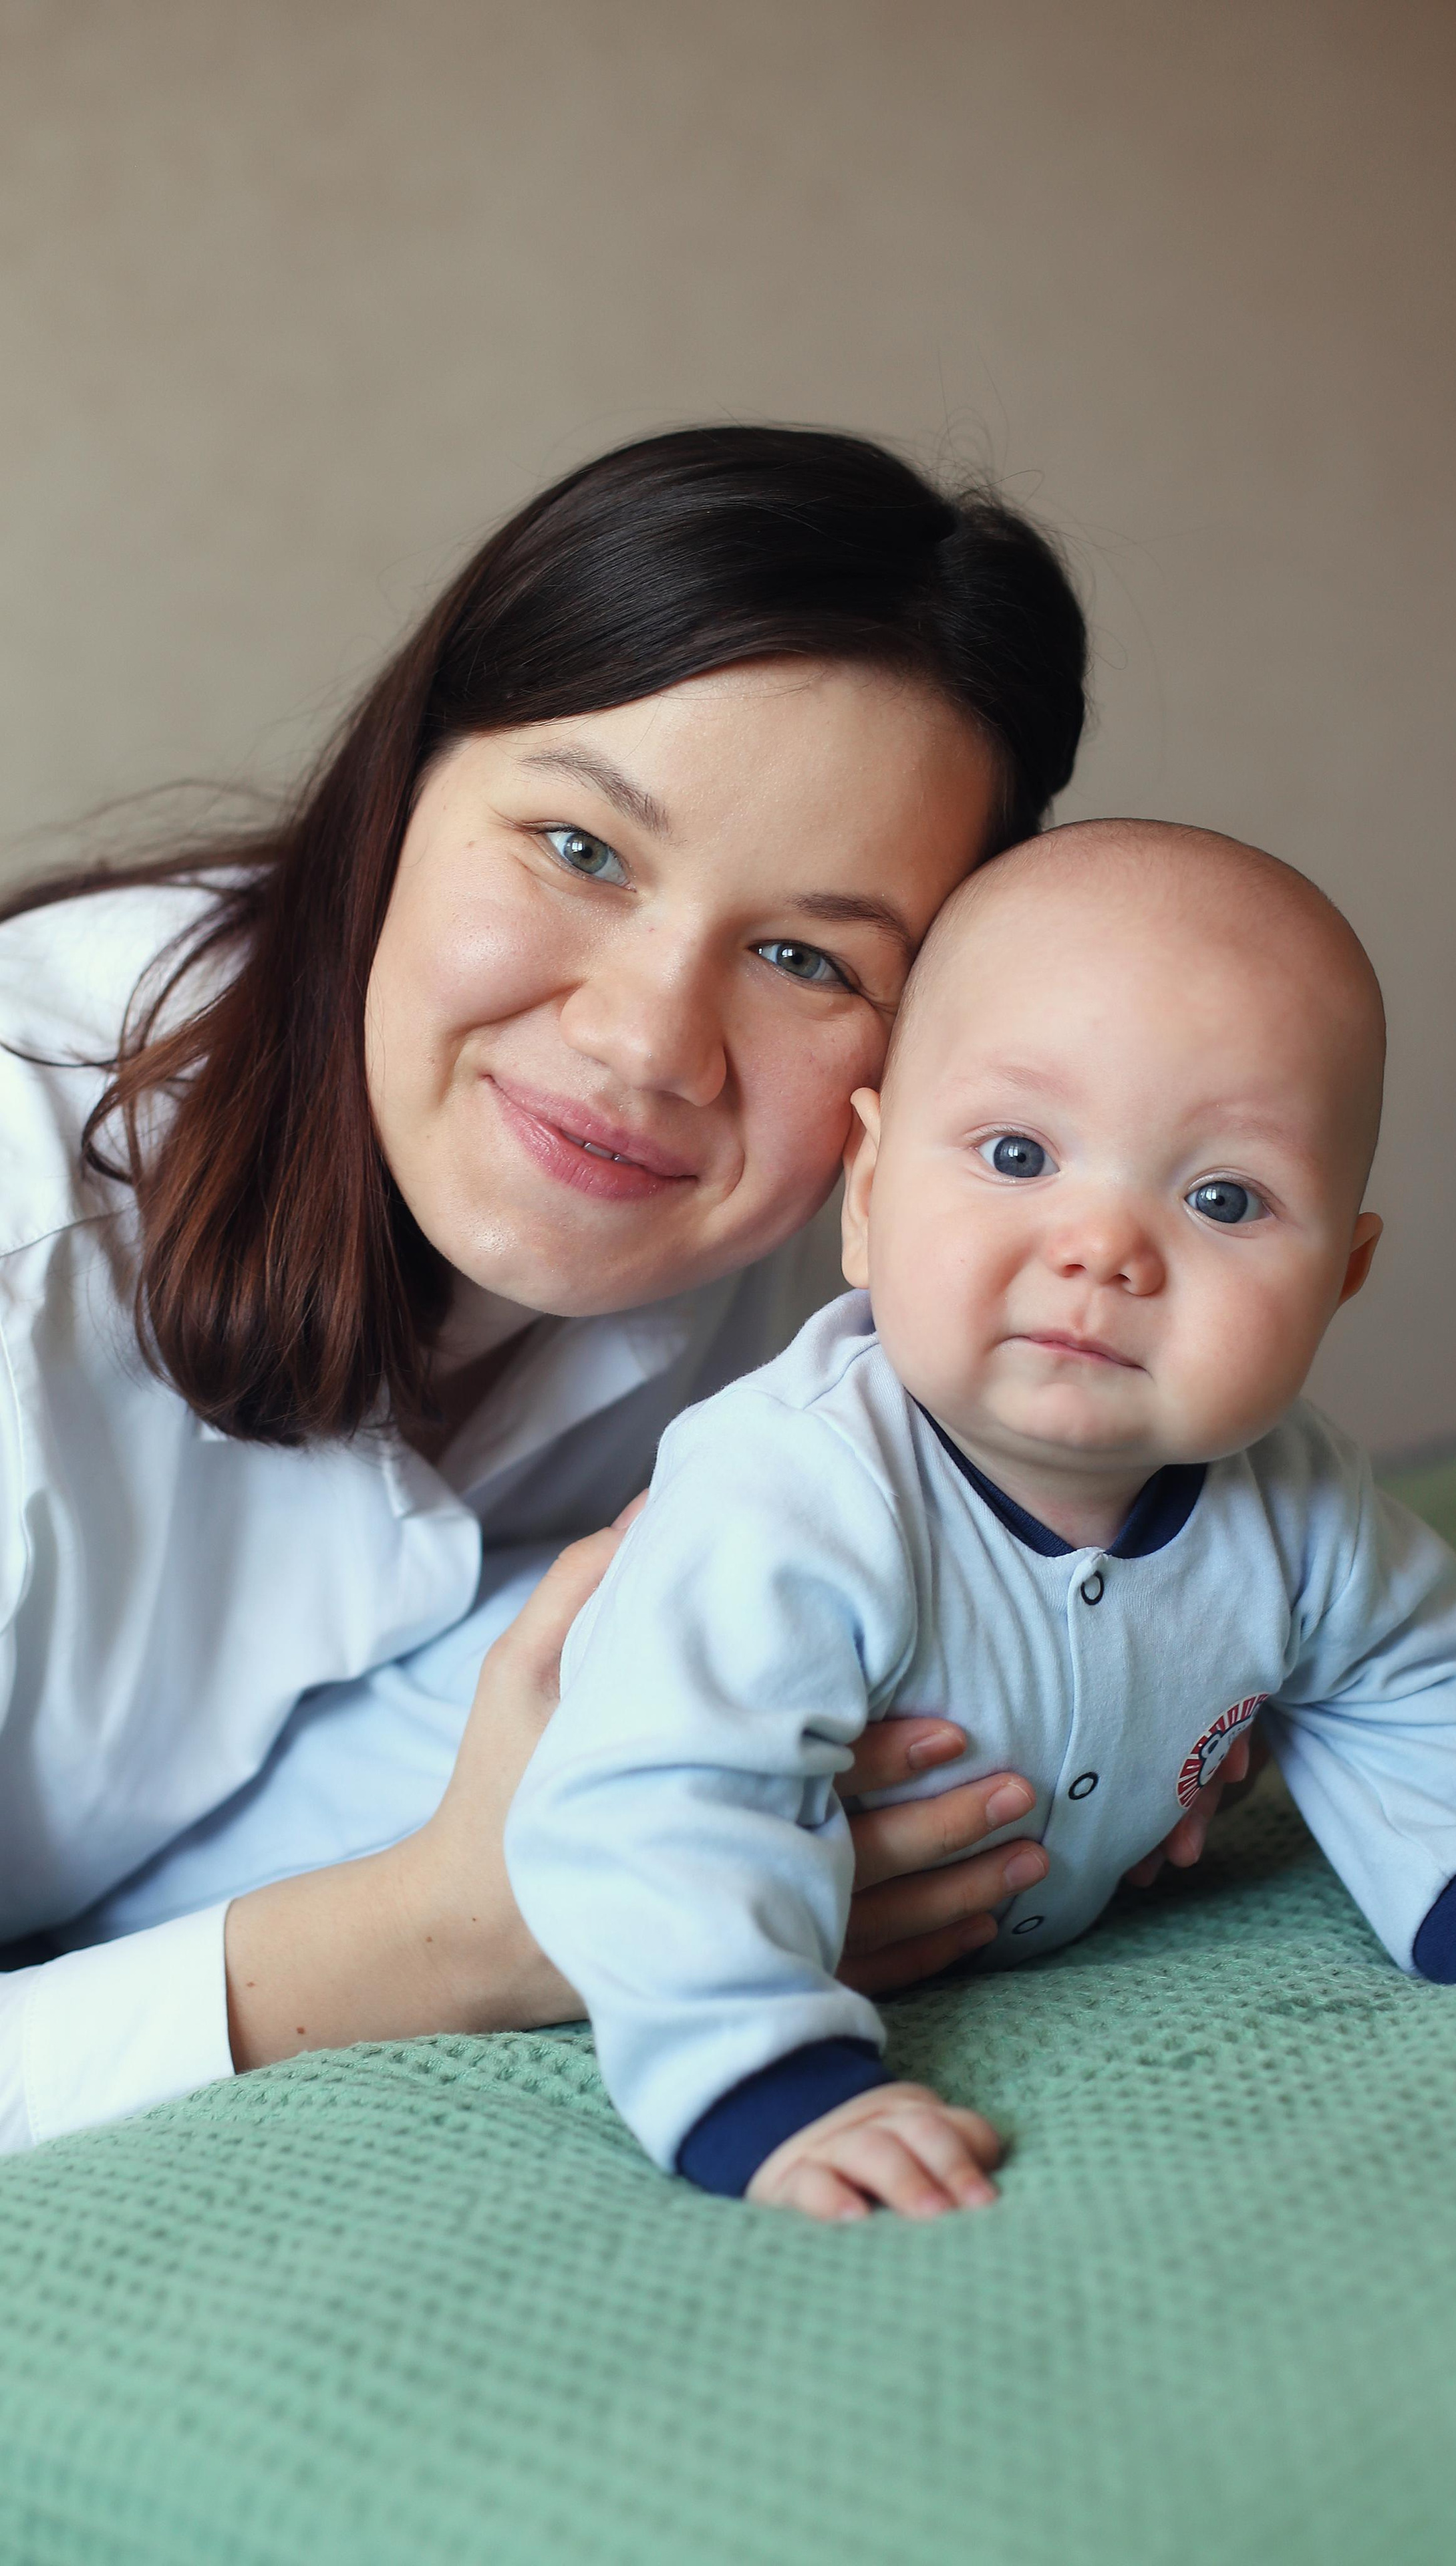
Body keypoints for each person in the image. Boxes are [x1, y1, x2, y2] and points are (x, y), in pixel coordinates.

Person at [1, 424, 1229, 2156]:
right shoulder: (20, 1240)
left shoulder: (778, 1221)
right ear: (399, 790)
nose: (647, 1044)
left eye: (808, 958)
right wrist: (428, 1945)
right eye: (581, 850)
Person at [502, 821, 1456, 2221]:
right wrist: (764, 2080)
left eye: (1222, 1197)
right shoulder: (797, 1497)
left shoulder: (1299, 1505)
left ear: (1340, 1275)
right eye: (1017, 1152)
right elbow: (666, 1802)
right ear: (870, 1195)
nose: (1104, 1249)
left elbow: (1406, 1680)